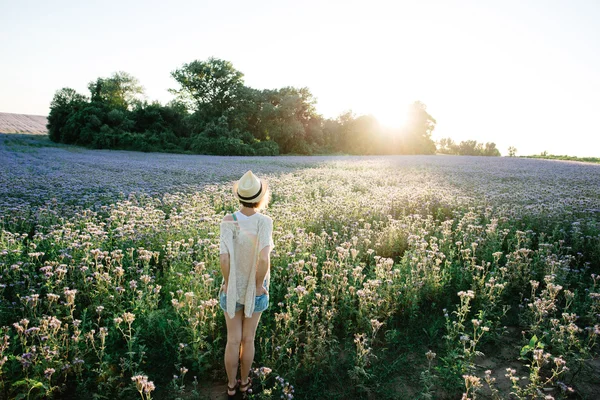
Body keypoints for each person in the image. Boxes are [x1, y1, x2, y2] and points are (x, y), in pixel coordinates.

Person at [219, 170, 274, 398]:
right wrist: (259, 285)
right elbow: (263, 258)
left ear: (239, 196)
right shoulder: (264, 222)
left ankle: (231, 386)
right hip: (256, 291)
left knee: (233, 340)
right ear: (260, 198)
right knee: (248, 339)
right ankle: (244, 384)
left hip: (231, 289)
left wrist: (227, 282)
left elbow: (224, 258)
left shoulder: (228, 220)